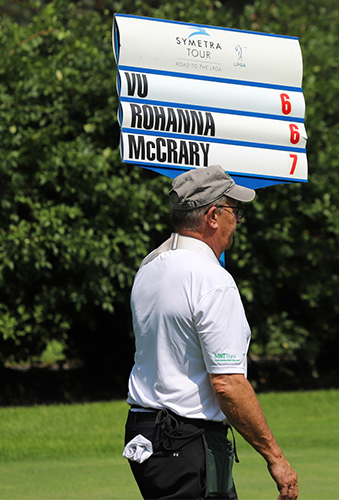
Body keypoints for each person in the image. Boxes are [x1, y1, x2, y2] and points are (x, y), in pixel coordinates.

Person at [123, 165, 298, 500]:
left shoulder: (148, 267)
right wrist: (276, 458)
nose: (239, 220)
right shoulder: (211, 279)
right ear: (214, 215)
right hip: (187, 440)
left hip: (144, 433)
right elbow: (228, 385)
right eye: (235, 211)